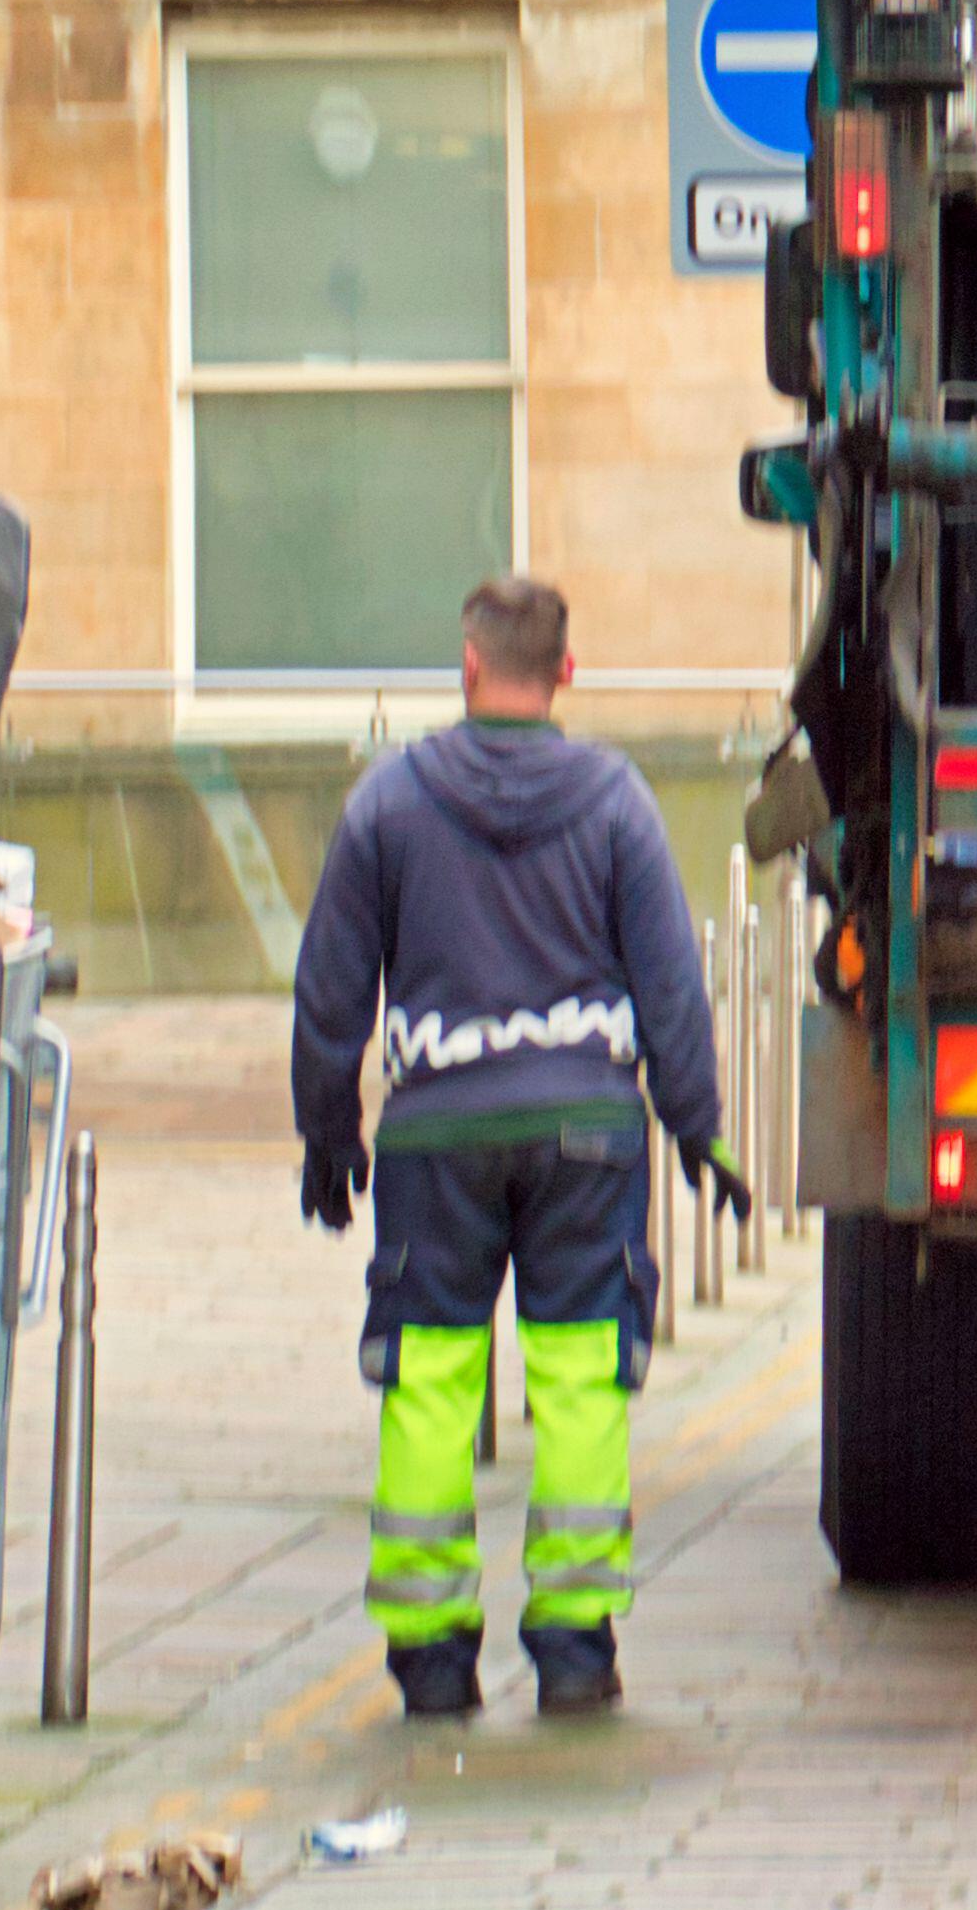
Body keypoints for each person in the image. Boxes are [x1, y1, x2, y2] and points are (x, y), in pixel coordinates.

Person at [291, 574, 748, 1719]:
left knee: (433, 1379)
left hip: (436, 1132)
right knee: (581, 1376)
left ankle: (432, 1653)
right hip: (585, 1131)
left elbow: (331, 986)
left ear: (466, 664)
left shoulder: (389, 804)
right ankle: (574, 1642)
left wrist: (327, 1132)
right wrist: (695, 1122)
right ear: (566, 675)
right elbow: (670, 985)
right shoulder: (615, 802)